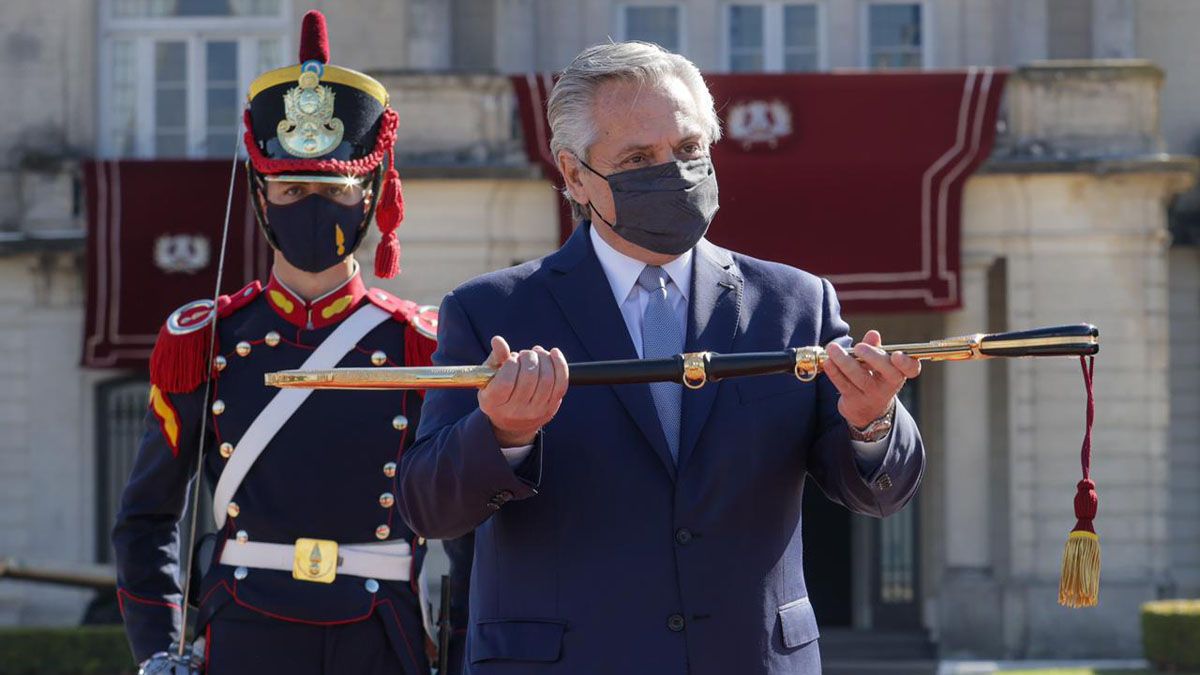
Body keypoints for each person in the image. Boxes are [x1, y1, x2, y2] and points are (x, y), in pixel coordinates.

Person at [397, 41, 926, 674]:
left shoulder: (794, 303)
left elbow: (877, 492)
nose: (673, 173)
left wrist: (872, 422)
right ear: (574, 175)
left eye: (688, 149)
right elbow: (428, 506)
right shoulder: (493, 311)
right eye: (638, 159)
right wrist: (502, 435)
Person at [111, 11, 469, 675]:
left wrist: (469, 648)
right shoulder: (209, 339)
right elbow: (147, 517)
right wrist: (159, 649)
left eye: (334, 189)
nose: (312, 205)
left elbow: (467, 520)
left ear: (369, 197)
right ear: (261, 197)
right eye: (292, 188)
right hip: (245, 631)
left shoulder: (419, 343)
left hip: (379, 633)